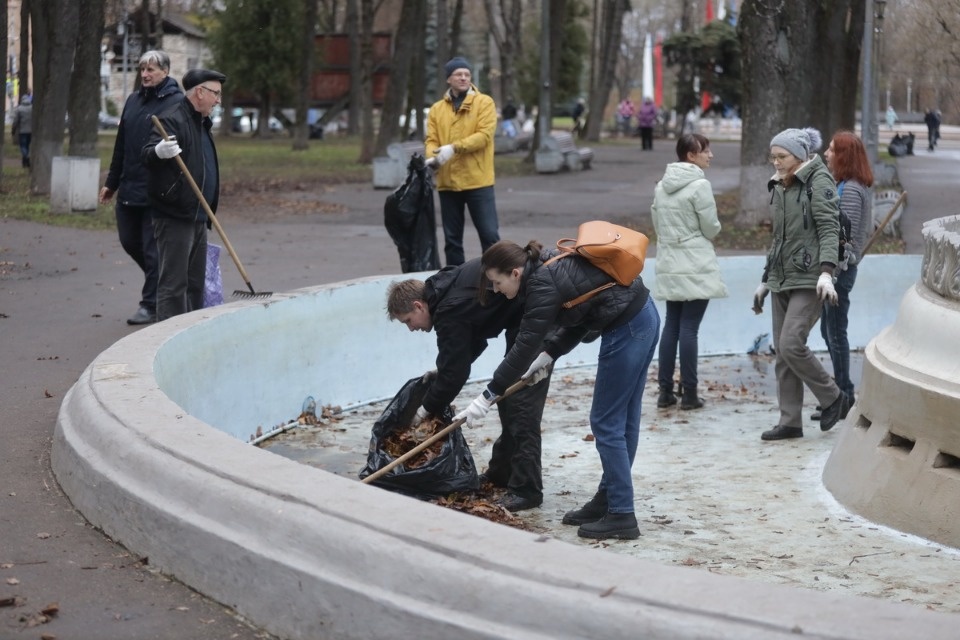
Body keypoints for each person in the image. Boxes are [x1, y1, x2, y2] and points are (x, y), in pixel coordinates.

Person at [455, 239, 660, 540]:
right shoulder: (546, 268)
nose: (497, 290)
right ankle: (610, 500)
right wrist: (550, 353)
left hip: (627, 329)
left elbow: (523, 346)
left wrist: (487, 397)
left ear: (514, 273)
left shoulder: (541, 284)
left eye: (497, 283)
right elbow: (583, 313)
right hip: (642, 318)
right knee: (623, 421)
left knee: (606, 422)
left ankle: (622, 515)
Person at [385, 259, 552, 512]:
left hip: (538, 315)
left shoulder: (447, 309)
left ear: (419, 305)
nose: (411, 329)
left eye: (408, 320)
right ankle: (502, 475)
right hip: (522, 314)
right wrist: (443, 369)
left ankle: (527, 490)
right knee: (507, 401)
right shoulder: (443, 288)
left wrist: (425, 409)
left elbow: (456, 373)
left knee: (521, 407)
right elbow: (471, 340)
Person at [752, 127, 850, 441]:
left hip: (810, 277)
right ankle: (790, 421)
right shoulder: (781, 185)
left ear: (799, 155)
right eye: (773, 157)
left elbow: (829, 229)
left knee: (791, 344)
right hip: (782, 277)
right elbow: (779, 239)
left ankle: (834, 397)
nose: (776, 162)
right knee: (782, 353)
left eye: (781, 156)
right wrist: (765, 280)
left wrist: (826, 272)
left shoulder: (818, 181)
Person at [100, 51, 183, 325]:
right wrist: (111, 183)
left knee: (152, 249)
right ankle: (162, 283)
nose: (145, 74)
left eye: (151, 69)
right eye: (142, 69)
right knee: (129, 241)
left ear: (166, 72)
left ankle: (151, 304)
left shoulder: (176, 102)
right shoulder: (133, 101)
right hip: (129, 186)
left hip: (157, 190)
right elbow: (121, 144)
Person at [651, 134, 728, 410]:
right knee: (690, 329)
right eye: (705, 150)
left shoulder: (662, 187)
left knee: (672, 325)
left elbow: (657, 225)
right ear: (691, 155)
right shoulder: (699, 186)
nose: (710, 154)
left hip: (670, 262)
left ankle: (664, 391)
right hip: (695, 263)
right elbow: (710, 227)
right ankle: (691, 393)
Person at [141, 68, 226, 322]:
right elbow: (145, 154)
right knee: (174, 285)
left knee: (194, 283)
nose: (218, 100)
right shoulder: (173, 118)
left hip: (198, 214)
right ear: (199, 92)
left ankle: (189, 333)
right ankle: (165, 337)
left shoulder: (201, 121)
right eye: (216, 94)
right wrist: (158, 151)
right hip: (175, 213)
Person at [817, 131, 874, 419]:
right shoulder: (845, 185)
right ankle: (841, 392)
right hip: (838, 271)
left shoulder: (851, 189)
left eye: (831, 149)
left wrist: (831, 273)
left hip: (840, 272)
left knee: (835, 333)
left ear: (844, 156)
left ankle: (843, 395)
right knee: (828, 331)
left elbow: (844, 238)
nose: (826, 153)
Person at [425, 56, 500, 267]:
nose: (464, 77)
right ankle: (454, 281)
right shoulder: (437, 109)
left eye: (467, 74)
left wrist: (454, 147)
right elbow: (432, 139)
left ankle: (496, 278)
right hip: (448, 182)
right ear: (449, 79)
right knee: (452, 240)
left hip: (478, 181)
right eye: (458, 74)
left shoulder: (484, 103)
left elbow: (484, 136)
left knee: (489, 235)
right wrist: (433, 157)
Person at [11, 95, 32, 168]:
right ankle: (27, 159)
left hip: (22, 131)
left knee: (23, 146)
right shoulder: (32, 108)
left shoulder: (19, 109)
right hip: (31, 131)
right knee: (28, 146)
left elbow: (15, 121)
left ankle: (25, 158)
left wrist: (13, 130)